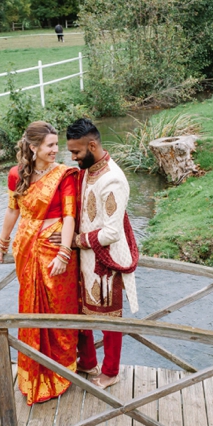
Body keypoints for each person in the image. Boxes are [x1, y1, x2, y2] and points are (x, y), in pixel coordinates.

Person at [0, 121, 80, 405]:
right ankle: (33, 371)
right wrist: (3, 241)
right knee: (30, 308)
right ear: (33, 148)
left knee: (59, 310)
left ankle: (60, 372)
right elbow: (12, 209)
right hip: (27, 249)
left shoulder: (64, 175)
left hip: (55, 249)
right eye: (51, 146)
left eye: (57, 145)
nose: (57, 150)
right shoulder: (15, 175)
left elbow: (69, 217)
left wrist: (64, 253)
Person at [66, 118, 139, 389]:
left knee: (108, 320)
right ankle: (87, 362)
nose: (73, 158)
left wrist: (75, 240)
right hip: (85, 258)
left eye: (76, 152)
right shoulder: (89, 169)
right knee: (82, 313)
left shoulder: (113, 179)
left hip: (105, 263)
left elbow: (111, 232)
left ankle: (111, 372)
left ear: (92, 145)